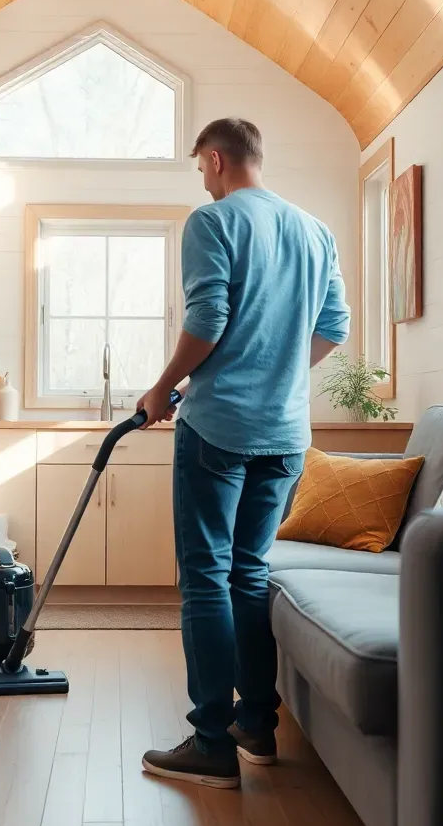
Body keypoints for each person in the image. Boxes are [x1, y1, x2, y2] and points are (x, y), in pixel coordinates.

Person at [137, 118, 350, 789]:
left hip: (219, 429)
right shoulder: (315, 230)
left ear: (217, 158)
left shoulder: (213, 221)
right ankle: (255, 726)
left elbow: (207, 320)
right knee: (248, 574)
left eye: (202, 167)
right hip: (285, 435)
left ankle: (210, 743)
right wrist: (277, 371)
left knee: (205, 576)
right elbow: (334, 327)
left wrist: (163, 388)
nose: (204, 180)